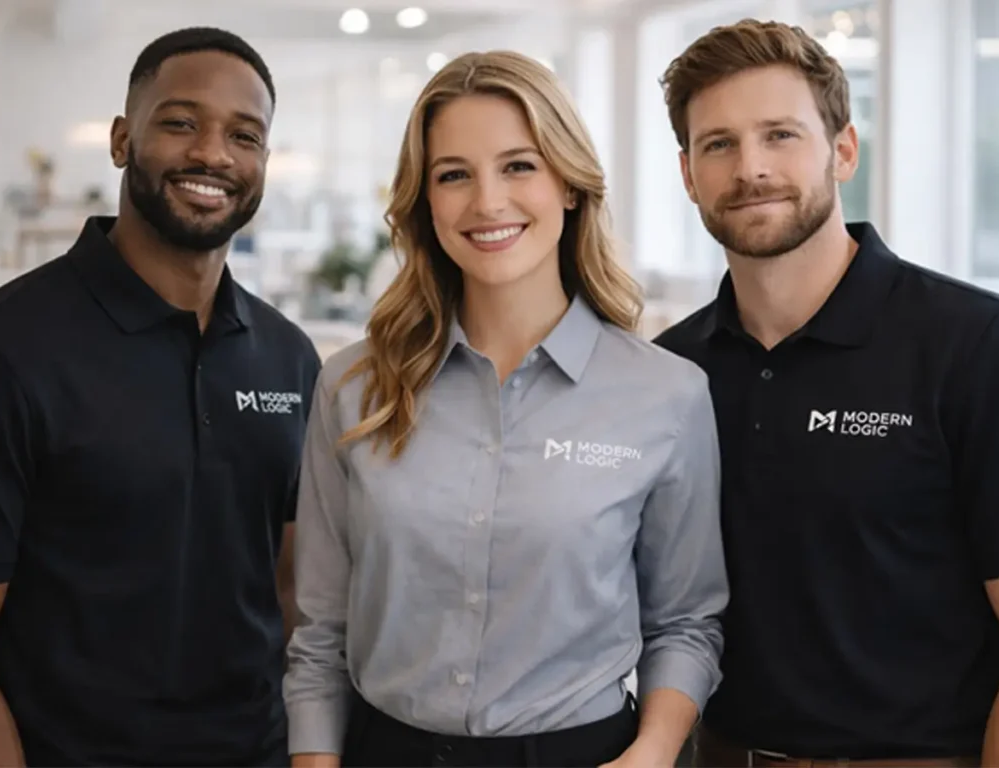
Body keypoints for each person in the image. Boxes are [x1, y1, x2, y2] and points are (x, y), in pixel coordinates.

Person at [283, 50, 728, 768]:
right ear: (425, 202)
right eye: (453, 175)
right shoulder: (352, 390)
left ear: (571, 185)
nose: (487, 202)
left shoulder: (666, 395)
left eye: (519, 166)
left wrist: (652, 753)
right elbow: (319, 632)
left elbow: (685, 622)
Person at [653, 18, 999, 768]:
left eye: (780, 135)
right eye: (718, 144)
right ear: (688, 174)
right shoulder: (669, 372)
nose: (751, 168)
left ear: (843, 150)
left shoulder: (975, 344)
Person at [0, 27, 322, 767]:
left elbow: (293, 595)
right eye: (180, 122)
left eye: (245, 135)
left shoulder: (290, 358)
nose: (212, 154)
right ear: (120, 140)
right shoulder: (9, 346)